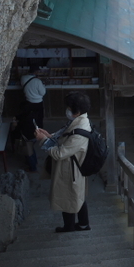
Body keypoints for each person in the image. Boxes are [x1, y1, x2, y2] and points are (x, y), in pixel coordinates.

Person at [35, 92, 91, 233]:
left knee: (68, 198)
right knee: (78, 196)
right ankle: (83, 224)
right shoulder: (80, 120)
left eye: (68, 108)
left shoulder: (80, 131)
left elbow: (60, 153)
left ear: (76, 111)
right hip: (74, 167)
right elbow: (63, 135)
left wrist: (43, 140)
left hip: (70, 169)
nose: (66, 110)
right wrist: (48, 136)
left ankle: (69, 227)